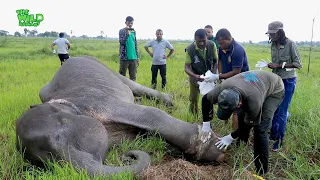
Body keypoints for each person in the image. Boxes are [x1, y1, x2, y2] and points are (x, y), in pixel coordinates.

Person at [201, 70, 285, 175]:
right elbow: (205, 99)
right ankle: (241, 142)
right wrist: (206, 125)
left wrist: (231, 136)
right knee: (241, 116)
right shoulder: (222, 89)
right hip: (253, 84)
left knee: (260, 130)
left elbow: (249, 124)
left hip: (274, 89)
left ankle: (262, 171)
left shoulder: (253, 100)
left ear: (240, 103)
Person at [265, 21, 302, 152]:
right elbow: (275, 63)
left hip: (288, 81)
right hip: (276, 80)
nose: (271, 36)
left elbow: (298, 64)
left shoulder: (290, 44)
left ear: (280, 32)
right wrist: (271, 65)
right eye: (269, 34)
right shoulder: (273, 45)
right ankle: (273, 135)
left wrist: (280, 65)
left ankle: (279, 141)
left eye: (273, 34)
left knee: (282, 112)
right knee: (274, 109)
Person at [205, 28, 250, 130]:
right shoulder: (222, 48)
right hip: (227, 78)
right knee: (224, 101)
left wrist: (218, 76)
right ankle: (225, 126)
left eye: (221, 43)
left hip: (240, 81)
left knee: (235, 107)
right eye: (219, 44)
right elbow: (220, 61)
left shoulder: (237, 50)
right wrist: (221, 74)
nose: (219, 46)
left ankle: (235, 133)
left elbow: (236, 72)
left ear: (228, 39)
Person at [184, 29, 218, 116]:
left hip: (208, 78)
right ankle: (193, 117)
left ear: (207, 38)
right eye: (199, 41)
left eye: (204, 41)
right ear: (195, 39)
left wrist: (213, 74)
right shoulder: (190, 50)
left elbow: (215, 61)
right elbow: (187, 68)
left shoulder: (211, 45)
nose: (202, 43)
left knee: (209, 98)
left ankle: (209, 116)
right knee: (193, 99)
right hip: (195, 78)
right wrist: (195, 75)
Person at [119, 16, 139, 81]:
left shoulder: (133, 31)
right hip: (124, 58)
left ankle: (133, 91)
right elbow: (122, 42)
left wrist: (137, 57)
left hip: (133, 58)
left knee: (133, 77)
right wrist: (127, 34)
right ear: (126, 23)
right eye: (129, 23)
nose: (130, 25)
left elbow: (135, 44)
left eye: (131, 23)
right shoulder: (121, 31)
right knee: (122, 76)